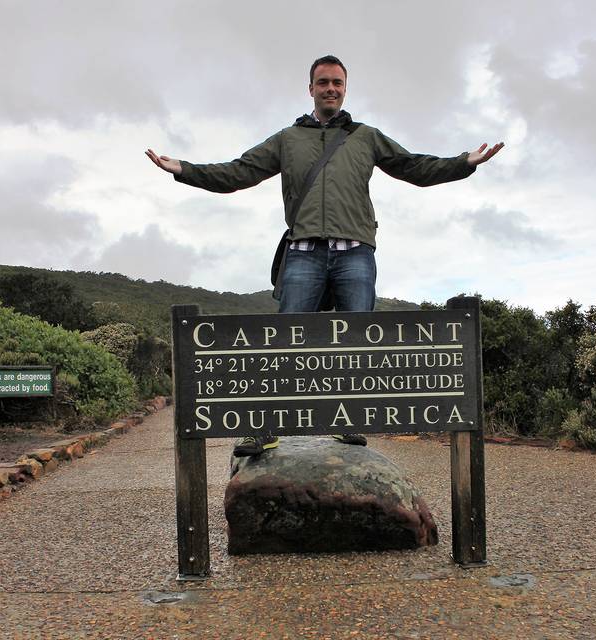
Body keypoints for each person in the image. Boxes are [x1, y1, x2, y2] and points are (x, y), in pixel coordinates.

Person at [146, 55, 503, 457]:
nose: (330, 88)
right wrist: (184, 169)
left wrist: (463, 163)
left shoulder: (366, 136)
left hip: (355, 253)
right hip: (304, 253)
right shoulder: (287, 139)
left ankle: (348, 422)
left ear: (345, 88)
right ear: (311, 89)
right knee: (285, 344)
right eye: (323, 82)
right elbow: (239, 172)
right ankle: (265, 428)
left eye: (337, 82)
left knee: (356, 344)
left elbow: (413, 167)